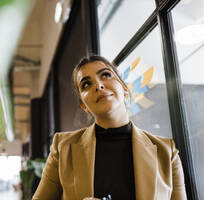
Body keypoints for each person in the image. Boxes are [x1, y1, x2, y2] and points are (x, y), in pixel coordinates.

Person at [32, 55, 187, 200]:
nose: (98, 85)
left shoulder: (167, 151)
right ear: (83, 105)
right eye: (86, 84)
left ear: (124, 88)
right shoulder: (63, 147)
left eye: (105, 75)